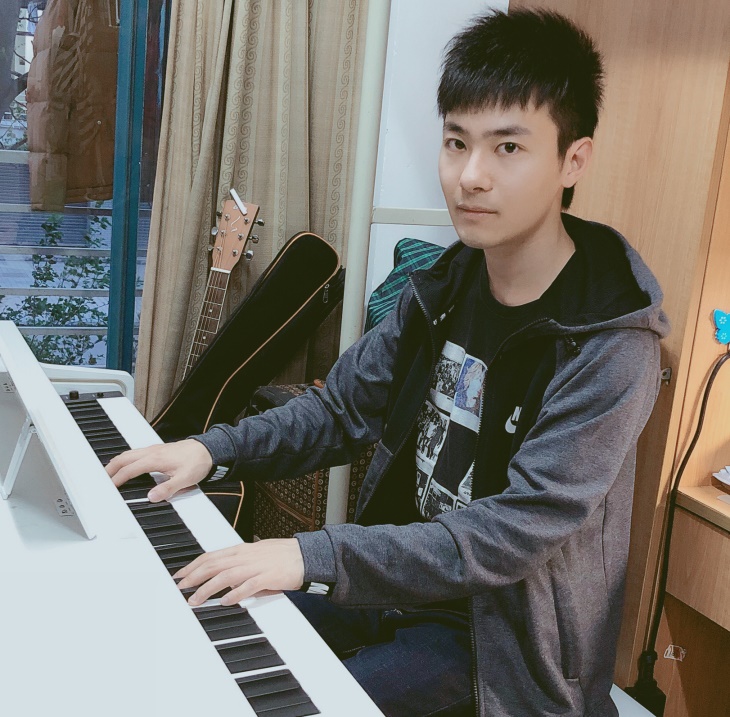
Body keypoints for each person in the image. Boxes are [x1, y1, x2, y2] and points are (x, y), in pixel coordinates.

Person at [107, 9, 669, 717]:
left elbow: (511, 533)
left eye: (507, 148)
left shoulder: (611, 345)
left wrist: (310, 554)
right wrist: (210, 450)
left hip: (499, 648)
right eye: (456, 142)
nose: (470, 176)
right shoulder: (446, 285)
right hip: (399, 591)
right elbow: (340, 409)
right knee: (190, 625)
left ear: (573, 160)